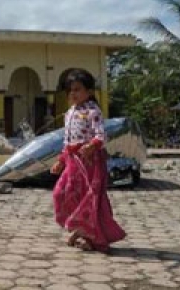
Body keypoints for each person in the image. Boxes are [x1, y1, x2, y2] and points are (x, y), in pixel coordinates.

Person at [50, 69, 126, 252]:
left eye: (77, 89)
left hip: (90, 163)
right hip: (72, 162)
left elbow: (101, 135)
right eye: (70, 90)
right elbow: (67, 141)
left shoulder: (93, 111)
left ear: (89, 91)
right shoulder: (69, 113)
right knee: (62, 194)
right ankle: (79, 229)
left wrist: (92, 146)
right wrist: (61, 160)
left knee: (88, 200)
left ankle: (91, 238)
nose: (72, 94)